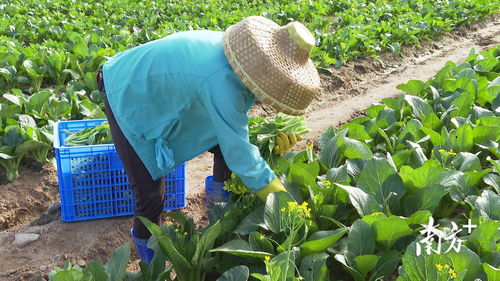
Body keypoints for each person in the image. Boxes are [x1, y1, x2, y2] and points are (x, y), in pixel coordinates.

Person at [96, 16, 320, 263]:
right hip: (128, 93)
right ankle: (152, 265)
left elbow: (233, 131)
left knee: (225, 145)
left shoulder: (236, 57)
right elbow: (242, 157)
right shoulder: (222, 80)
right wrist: (285, 205)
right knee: (150, 198)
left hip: (161, 92)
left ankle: (218, 213)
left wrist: (267, 142)